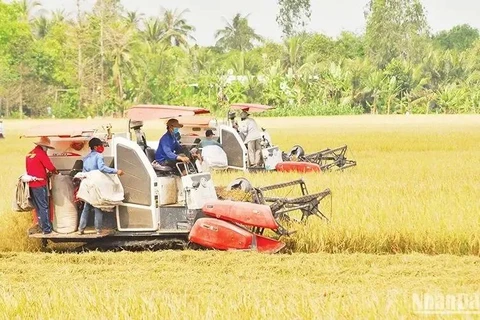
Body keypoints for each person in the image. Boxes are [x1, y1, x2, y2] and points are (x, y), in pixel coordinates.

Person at [78, 138, 124, 235]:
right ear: (95, 147)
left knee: (86, 207)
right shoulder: (99, 156)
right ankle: (98, 230)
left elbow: (84, 172)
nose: (102, 147)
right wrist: (116, 171)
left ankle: (81, 229)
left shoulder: (85, 158)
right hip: (96, 184)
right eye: (100, 145)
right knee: (98, 206)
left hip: (88, 183)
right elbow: (102, 168)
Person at [26, 136, 59, 234]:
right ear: (43, 146)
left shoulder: (30, 153)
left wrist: (45, 174)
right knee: (44, 206)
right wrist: (56, 172)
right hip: (39, 184)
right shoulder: (41, 154)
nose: (47, 150)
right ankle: (47, 229)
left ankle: (41, 226)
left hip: (31, 184)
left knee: (38, 207)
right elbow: (50, 166)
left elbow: (33, 169)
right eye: (47, 148)